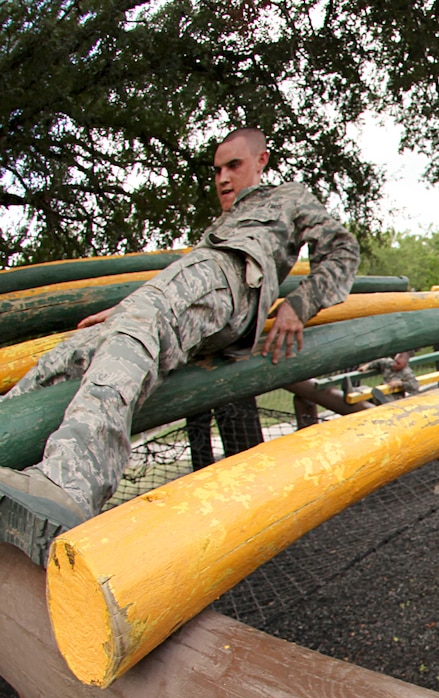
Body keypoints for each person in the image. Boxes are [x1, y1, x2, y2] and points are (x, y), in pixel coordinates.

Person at [0, 127, 360, 566]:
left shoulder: (288, 197)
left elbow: (342, 249)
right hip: (196, 288)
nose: (223, 178)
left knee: (140, 322)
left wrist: (298, 306)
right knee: (70, 354)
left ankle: (71, 484)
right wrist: (127, 310)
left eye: (234, 165)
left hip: (232, 276)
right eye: (216, 171)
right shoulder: (220, 223)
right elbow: (174, 296)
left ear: (262, 160)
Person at [358, 350, 422, 401]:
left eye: (398, 363)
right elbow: (378, 362)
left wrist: (400, 383)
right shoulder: (389, 363)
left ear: (404, 365)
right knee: (363, 389)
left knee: (387, 399)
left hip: (394, 396)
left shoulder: (407, 372)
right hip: (381, 389)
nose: (394, 364)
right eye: (395, 361)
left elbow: (415, 386)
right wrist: (367, 366)